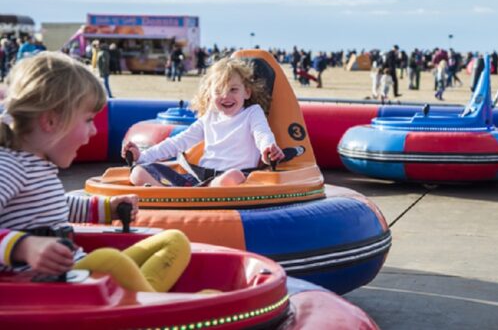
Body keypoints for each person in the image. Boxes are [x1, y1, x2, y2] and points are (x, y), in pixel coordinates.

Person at [0, 52, 191, 292]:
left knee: (174, 241)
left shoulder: (39, 165)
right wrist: (24, 247)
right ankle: (150, 308)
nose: (93, 131)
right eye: (89, 120)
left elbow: (56, 206)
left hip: (75, 275)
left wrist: (107, 207)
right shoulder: (9, 166)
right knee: (109, 260)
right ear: (50, 122)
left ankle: (142, 299)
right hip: (41, 284)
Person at [123, 58, 285, 188]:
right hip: (198, 178)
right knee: (138, 173)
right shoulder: (210, 117)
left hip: (232, 176)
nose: (225, 96)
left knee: (233, 176)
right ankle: (168, 194)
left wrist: (267, 148)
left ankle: (202, 193)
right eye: (218, 91)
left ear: (247, 92)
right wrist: (142, 157)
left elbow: (262, 133)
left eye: (233, 90)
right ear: (210, 95)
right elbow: (178, 142)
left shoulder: (252, 113)